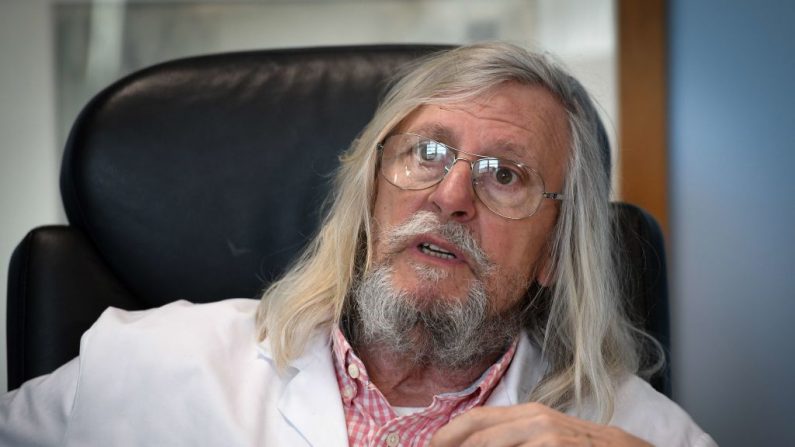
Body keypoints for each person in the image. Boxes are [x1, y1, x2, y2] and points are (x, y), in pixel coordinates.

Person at [0, 42, 716, 446]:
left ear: (555, 251)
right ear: (371, 197)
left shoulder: (632, 431)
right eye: (426, 152)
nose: (449, 196)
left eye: (506, 175)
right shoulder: (146, 362)